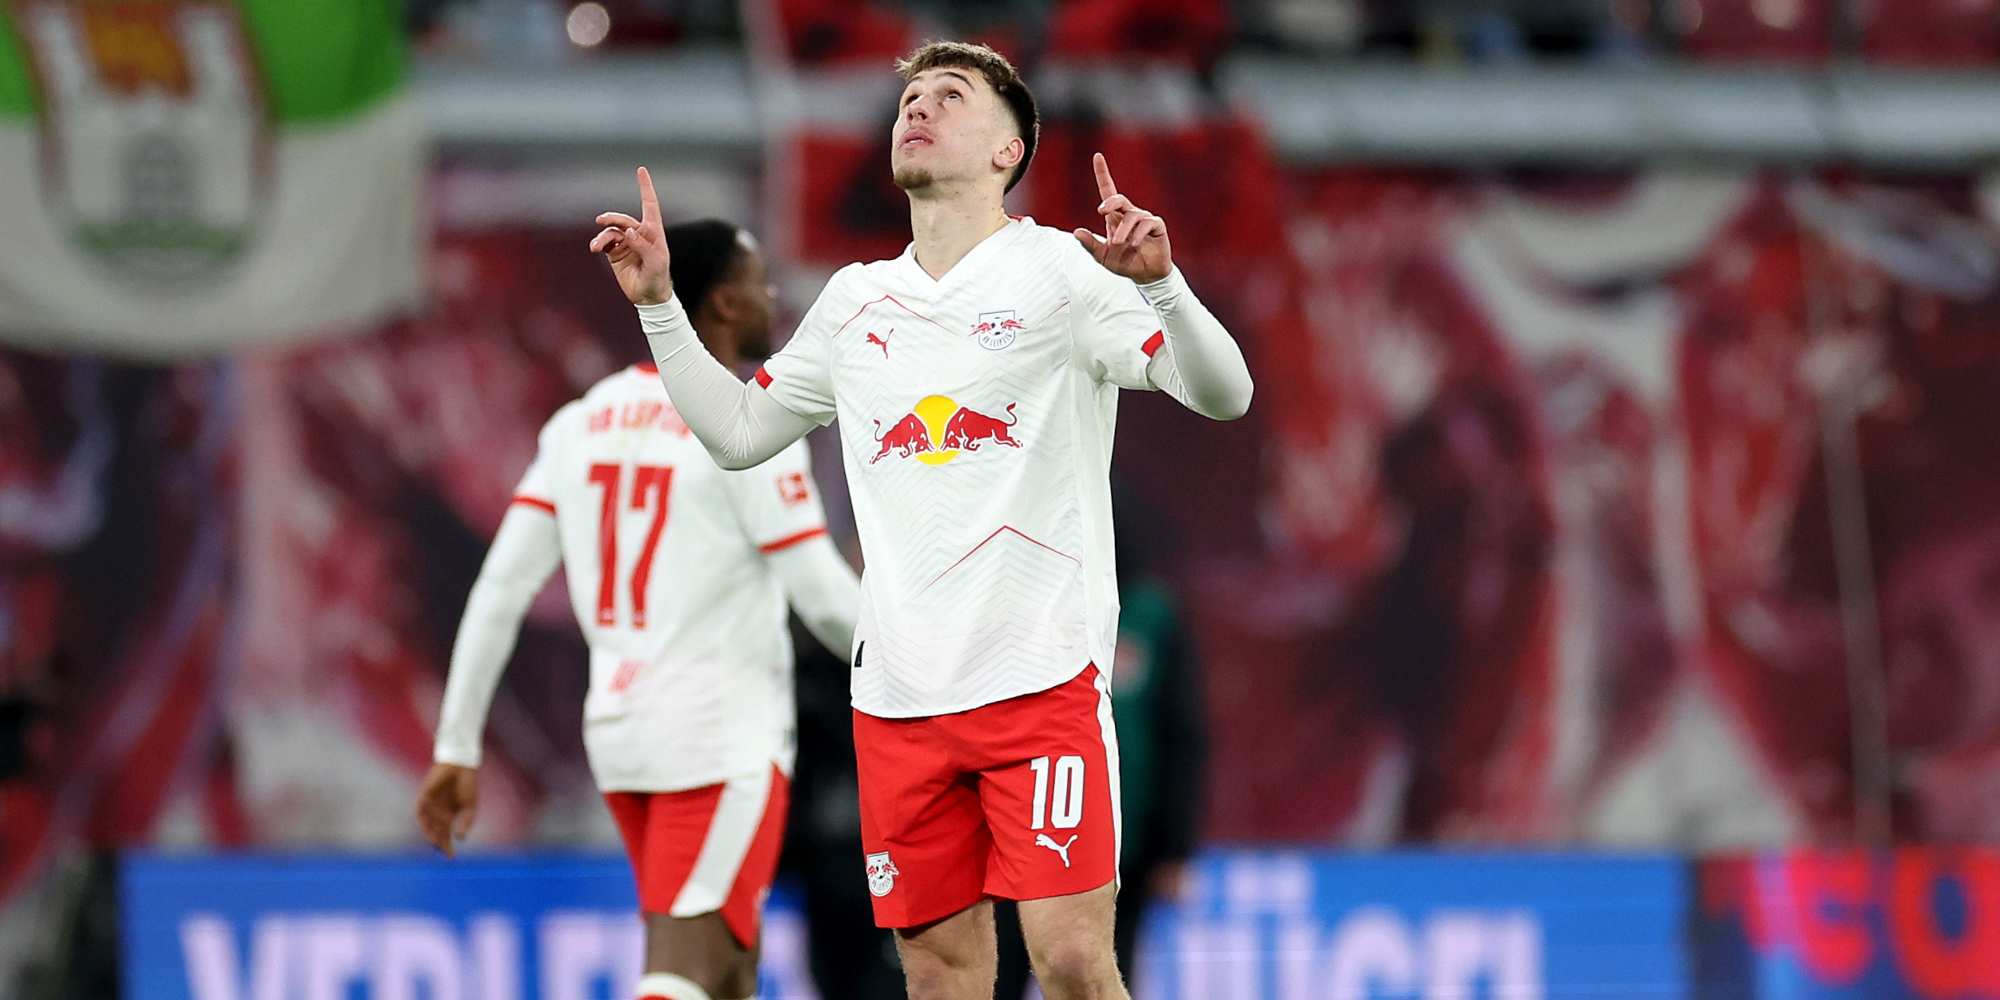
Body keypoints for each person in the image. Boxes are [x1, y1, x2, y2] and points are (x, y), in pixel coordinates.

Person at [589, 40, 1253, 1000]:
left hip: (1041, 684)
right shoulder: (856, 303)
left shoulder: (1066, 273)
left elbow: (1225, 393)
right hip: (899, 703)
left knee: (1070, 960)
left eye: (950, 94)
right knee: (939, 972)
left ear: (1008, 152)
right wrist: (660, 310)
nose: (918, 108)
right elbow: (739, 433)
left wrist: (1160, 283)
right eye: (909, 96)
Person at [416, 220, 861, 1000]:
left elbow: (500, 592)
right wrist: (930, 664)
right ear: (723, 304)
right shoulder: (748, 427)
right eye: (759, 284)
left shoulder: (578, 423)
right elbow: (823, 598)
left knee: (724, 972)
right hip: (719, 734)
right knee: (685, 971)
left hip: (621, 733)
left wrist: (457, 745)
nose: (773, 299)